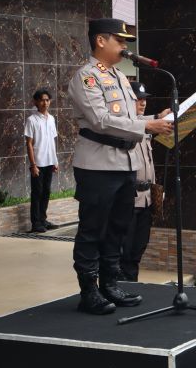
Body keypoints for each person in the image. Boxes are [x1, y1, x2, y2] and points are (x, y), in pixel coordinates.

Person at [68, 18, 173, 315]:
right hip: (98, 165)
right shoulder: (86, 78)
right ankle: (89, 289)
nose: (125, 47)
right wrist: (147, 125)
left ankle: (110, 283)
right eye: (120, 41)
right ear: (100, 41)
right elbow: (102, 120)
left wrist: (154, 120)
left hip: (126, 163)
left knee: (117, 228)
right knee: (93, 229)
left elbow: (127, 120)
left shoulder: (120, 76)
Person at [119, 81, 156, 281]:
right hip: (130, 198)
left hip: (147, 198)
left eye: (144, 100)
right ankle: (119, 285)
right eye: (137, 99)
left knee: (138, 247)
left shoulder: (145, 126)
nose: (142, 103)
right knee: (124, 247)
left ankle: (132, 284)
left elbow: (150, 162)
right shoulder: (124, 127)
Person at [24, 89, 59, 233]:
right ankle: (36, 223)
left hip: (49, 162)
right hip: (38, 163)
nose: (45, 103)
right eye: (42, 100)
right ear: (36, 102)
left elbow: (52, 141)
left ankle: (43, 219)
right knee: (37, 193)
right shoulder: (31, 120)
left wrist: (55, 161)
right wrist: (33, 165)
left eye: (47, 100)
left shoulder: (51, 119)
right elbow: (29, 144)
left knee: (46, 192)